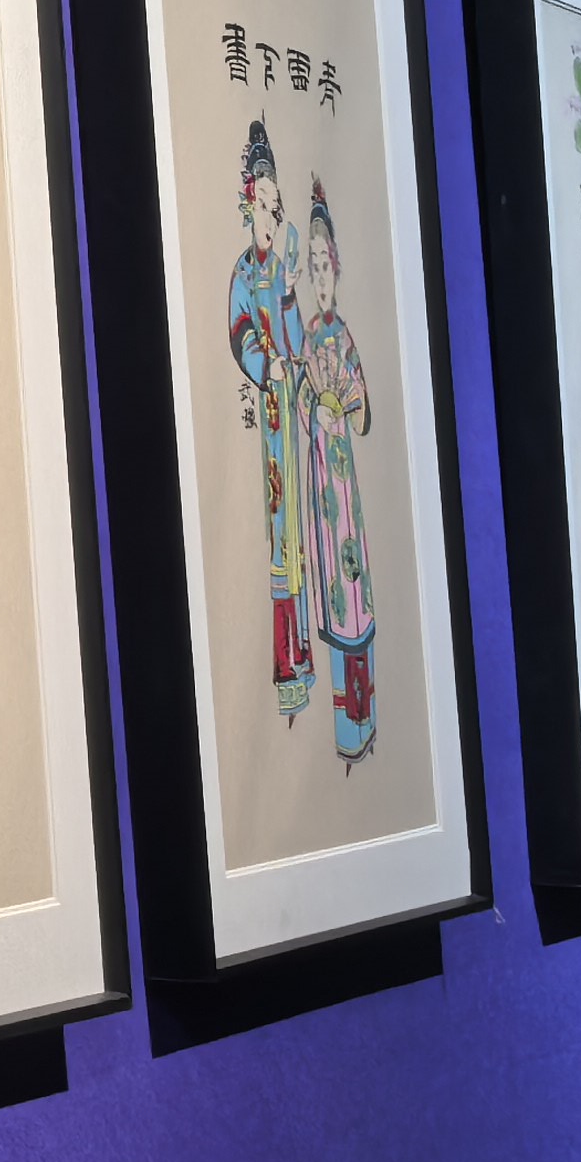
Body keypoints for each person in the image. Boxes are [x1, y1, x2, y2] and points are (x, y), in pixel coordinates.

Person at [226, 120, 311, 722]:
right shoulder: (243, 272)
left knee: (299, 531)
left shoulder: (280, 269)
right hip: (272, 414)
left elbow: (297, 335)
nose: (270, 212)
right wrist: (268, 364)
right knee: (280, 534)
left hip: (294, 412)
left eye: (275, 203)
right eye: (263, 201)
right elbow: (240, 335)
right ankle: (286, 667)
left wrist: (290, 304)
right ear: (249, 203)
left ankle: (302, 655)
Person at [294, 182, 378, 762]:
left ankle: (365, 722)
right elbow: (306, 399)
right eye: (313, 265)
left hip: (344, 484)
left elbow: (362, 411)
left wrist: (342, 406)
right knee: (332, 594)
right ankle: (346, 731)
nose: (320, 276)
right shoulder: (307, 338)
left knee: (355, 593)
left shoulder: (342, 337)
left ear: (338, 269)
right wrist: (314, 409)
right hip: (321, 478)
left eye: (326, 265)